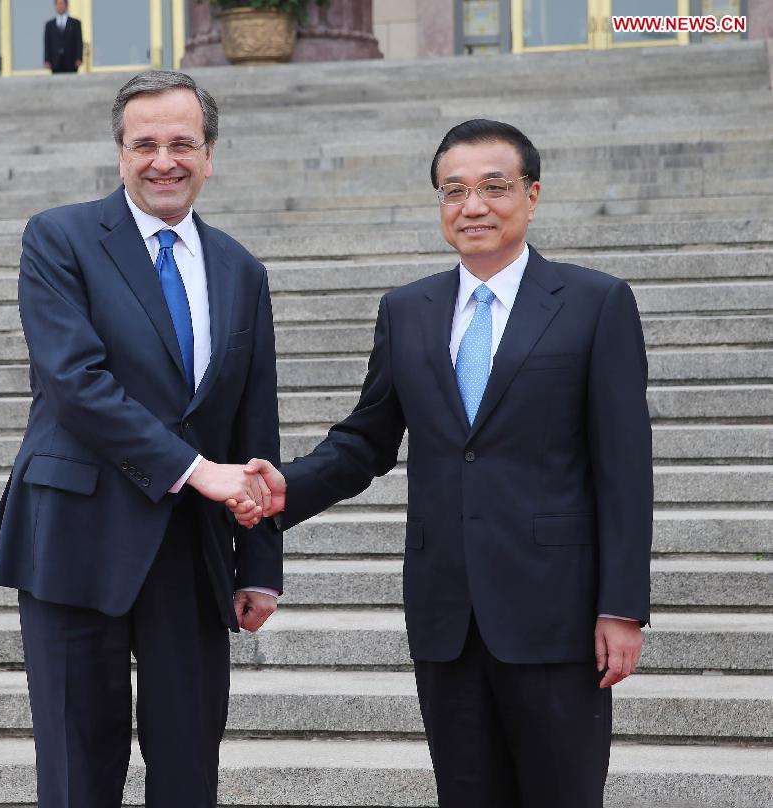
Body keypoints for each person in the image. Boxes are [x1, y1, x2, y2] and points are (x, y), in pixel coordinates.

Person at [234, 119, 653, 808]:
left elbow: (625, 470)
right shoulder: (408, 311)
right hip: (446, 612)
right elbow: (365, 442)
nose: (473, 206)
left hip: (558, 610)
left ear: (533, 196)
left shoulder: (595, 303)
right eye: (453, 191)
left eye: (494, 188)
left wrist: (622, 608)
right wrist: (286, 488)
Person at [0, 70, 282, 808]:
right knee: (79, 766)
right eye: (144, 144)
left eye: (183, 142)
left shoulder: (242, 270)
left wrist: (261, 563)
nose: (163, 160)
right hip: (74, 534)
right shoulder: (60, 237)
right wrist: (195, 467)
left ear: (210, 156)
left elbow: (254, 421)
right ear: (119, 155)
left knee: (188, 765)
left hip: (192, 547)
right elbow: (73, 382)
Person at [43, 0, 82, 74]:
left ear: (66, 5)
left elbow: (78, 42)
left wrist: (79, 58)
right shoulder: (49, 25)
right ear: (55, 6)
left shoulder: (75, 23)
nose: (60, 6)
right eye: (58, 4)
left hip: (71, 61)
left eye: (62, 3)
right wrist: (47, 60)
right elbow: (47, 43)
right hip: (55, 61)